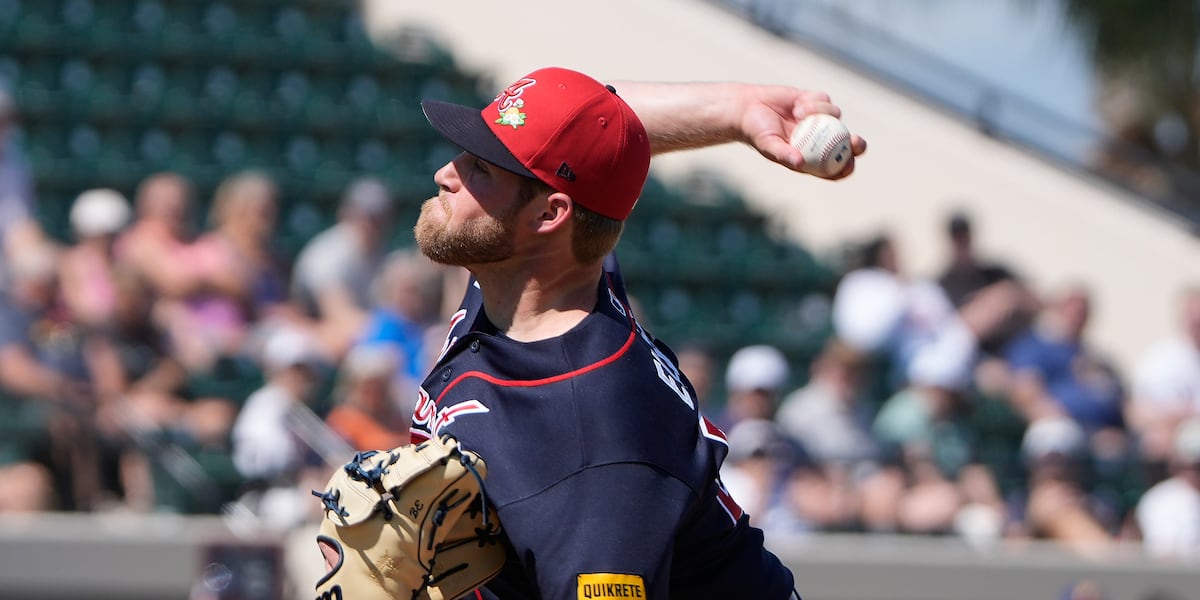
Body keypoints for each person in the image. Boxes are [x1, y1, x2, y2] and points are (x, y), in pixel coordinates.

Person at [322, 66, 865, 599]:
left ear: (549, 215)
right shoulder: (547, 273)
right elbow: (598, 124)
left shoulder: (590, 438)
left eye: (481, 168)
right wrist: (739, 111)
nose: (446, 173)